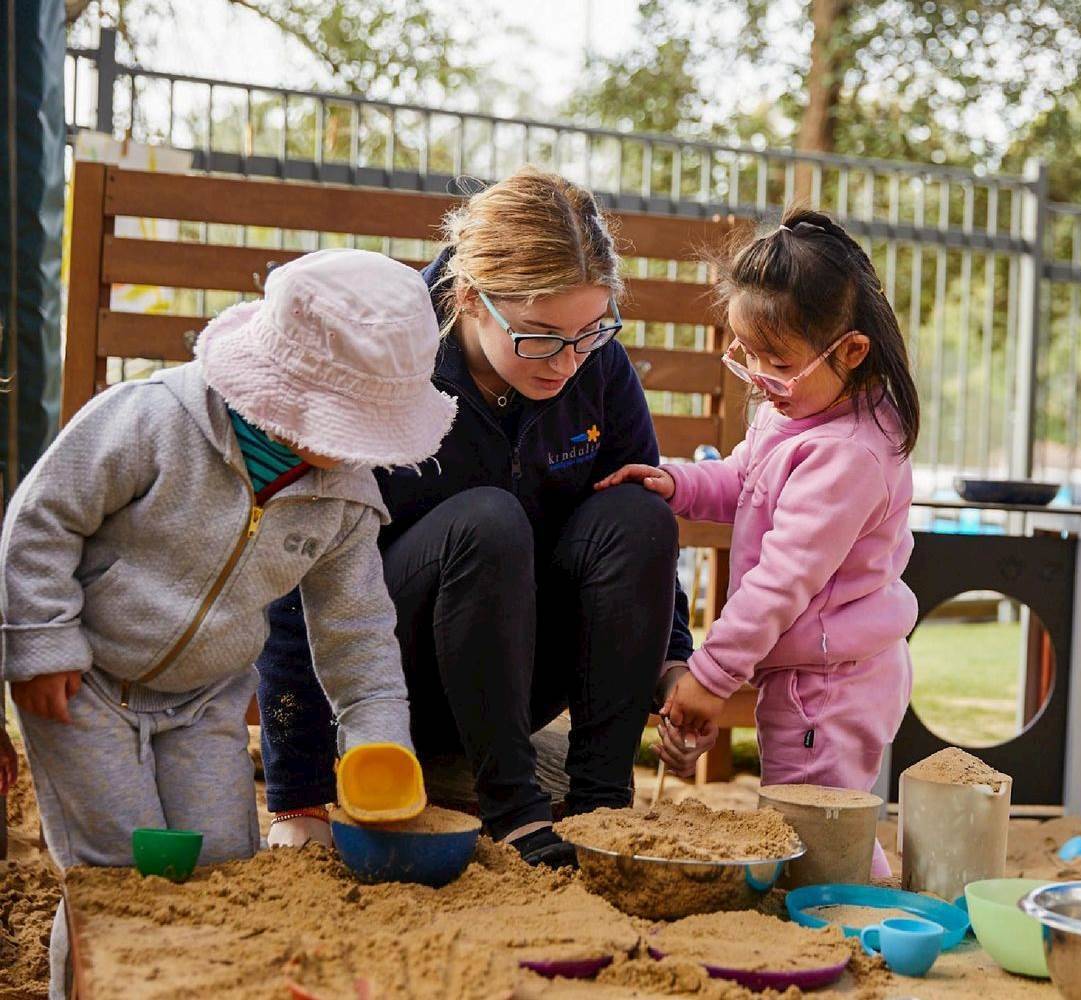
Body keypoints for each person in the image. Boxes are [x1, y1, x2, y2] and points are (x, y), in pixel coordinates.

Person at [0, 248, 451, 997]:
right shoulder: (152, 419)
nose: (352, 449)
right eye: (346, 423)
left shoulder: (343, 497)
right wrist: (41, 641)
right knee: (120, 870)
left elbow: (359, 632)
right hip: (87, 682)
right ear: (280, 389)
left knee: (222, 866)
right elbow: (42, 518)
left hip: (206, 699)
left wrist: (378, 742)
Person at [258, 166, 694, 867]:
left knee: (639, 512)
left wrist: (674, 660)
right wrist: (297, 796)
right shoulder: (392, 362)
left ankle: (601, 807)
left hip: (522, 674)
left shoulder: (594, 365)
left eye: (590, 332)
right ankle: (516, 813)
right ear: (469, 298)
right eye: (539, 335)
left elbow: (638, 541)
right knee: (488, 522)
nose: (566, 363)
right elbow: (298, 573)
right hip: (396, 672)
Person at [598, 208, 921, 876]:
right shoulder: (796, 411)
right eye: (745, 354)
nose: (760, 379)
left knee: (819, 820)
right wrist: (674, 482)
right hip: (804, 670)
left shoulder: (848, 455)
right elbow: (743, 480)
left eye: (777, 362)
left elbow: (782, 581)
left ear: (852, 352)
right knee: (803, 810)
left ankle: (856, 905)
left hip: (833, 684)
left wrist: (710, 677)